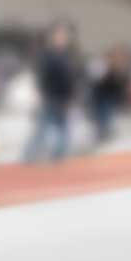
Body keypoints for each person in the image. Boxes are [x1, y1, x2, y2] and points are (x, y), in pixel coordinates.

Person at [22, 20, 83, 163]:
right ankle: (29, 157)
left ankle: (58, 158)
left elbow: (74, 77)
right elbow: (41, 76)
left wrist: (74, 94)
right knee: (42, 129)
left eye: (65, 35)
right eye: (60, 35)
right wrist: (40, 93)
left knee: (63, 130)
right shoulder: (48, 55)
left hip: (64, 98)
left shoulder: (69, 56)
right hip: (50, 97)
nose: (63, 38)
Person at [88, 43, 131, 145]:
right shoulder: (105, 65)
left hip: (111, 98)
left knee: (107, 118)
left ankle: (104, 135)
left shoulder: (124, 69)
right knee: (102, 118)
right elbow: (97, 82)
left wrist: (125, 102)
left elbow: (124, 87)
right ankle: (101, 135)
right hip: (100, 98)